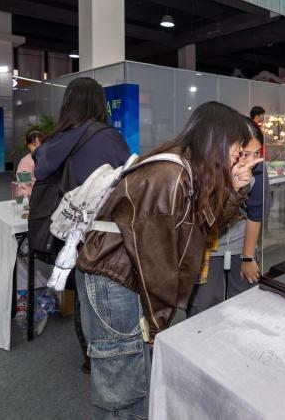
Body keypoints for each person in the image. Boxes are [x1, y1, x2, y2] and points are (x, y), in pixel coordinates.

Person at [75, 101, 262, 419]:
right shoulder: (170, 176)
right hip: (114, 279)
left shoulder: (185, 170)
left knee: (133, 376)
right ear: (216, 142)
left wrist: (233, 189)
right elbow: (157, 260)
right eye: (238, 151)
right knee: (123, 388)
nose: (241, 160)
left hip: (126, 275)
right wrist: (159, 323)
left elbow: (201, 227)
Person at [32, 77, 131, 375]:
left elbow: (41, 168)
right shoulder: (109, 137)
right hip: (102, 229)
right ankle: (104, 355)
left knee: (81, 290)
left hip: (67, 227)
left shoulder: (59, 138)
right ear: (100, 103)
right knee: (100, 291)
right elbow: (126, 180)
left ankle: (89, 354)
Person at [187, 117, 269, 317]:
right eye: (244, 154)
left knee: (245, 303)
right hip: (208, 248)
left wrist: (248, 256)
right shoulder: (208, 168)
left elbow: (255, 213)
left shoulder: (258, 168)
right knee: (204, 307)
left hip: (241, 244)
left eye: (257, 153)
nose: (251, 160)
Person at [16, 130, 43, 197]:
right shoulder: (26, 162)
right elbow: (23, 185)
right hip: (32, 197)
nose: (37, 148)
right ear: (28, 144)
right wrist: (27, 199)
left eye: (40, 145)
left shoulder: (47, 159)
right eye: (34, 145)